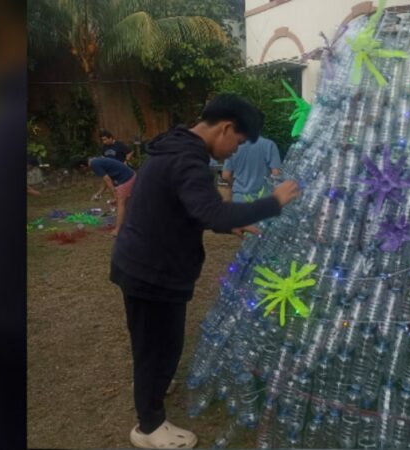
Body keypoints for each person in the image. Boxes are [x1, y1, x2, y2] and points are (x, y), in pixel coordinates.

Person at [110, 94, 300, 449]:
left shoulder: (177, 146)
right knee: (160, 346)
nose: (234, 152)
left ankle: (152, 384)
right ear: (226, 128)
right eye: (238, 143)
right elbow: (214, 211)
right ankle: (149, 426)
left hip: (142, 263)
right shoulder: (187, 160)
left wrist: (229, 226)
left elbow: (193, 208)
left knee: (155, 344)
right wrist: (273, 201)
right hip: (151, 271)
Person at [72, 156, 135, 236]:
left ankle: (118, 229)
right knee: (125, 203)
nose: (81, 172)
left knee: (120, 204)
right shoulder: (95, 161)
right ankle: (129, 224)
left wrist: (114, 196)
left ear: (82, 166)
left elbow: (108, 180)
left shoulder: (94, 164)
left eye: (79, 170)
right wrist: (99, 193)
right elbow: (106, 179)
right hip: (130, 176)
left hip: (126, 178)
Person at [221, 127, 282, 202]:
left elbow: (225, 176)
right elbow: (276, 174)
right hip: (263, 199)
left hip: (240, 199)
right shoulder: (270, 145)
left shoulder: (234, 145)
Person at [92, 130, 134, 201]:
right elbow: (103, 158)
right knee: (109, 183)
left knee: (123, 186)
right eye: (102, 140)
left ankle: (124, 199)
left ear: (111, 138)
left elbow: (130, 152)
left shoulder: (119, 144)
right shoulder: (104, 147)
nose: (104, 142)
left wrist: (126, 161)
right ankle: (105, 196)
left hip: (121, 169)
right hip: (110, 169)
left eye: (105, 139)